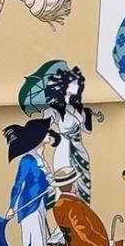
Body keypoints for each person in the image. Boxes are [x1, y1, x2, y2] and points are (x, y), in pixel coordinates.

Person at [51, 167, 125, 246]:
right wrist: (107, 244)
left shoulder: (59, 205)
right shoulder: (73, 206)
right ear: (74, 184)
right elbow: (85, 235)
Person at [4, 119, 58, 246]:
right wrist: (12, 207)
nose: (49, 133)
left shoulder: (41, 158)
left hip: (39, 205)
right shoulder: (28, 160)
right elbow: (18, 184)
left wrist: (50, 188)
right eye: (45, 132)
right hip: (29, 207)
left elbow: (44, 183)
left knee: (39, 240)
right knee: (36, 241)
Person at [40, 61, 95, 202]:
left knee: (82, 183)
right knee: (64, 182)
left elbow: (87, 130)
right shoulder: (54, 109)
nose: (77, 86)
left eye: (77, 84)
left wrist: (88, 115)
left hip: (79, 148)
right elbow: (42, 127)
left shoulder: (78, 107)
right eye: (73, 84)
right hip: (63, 148)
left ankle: (82, 210)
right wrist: (55, 135)